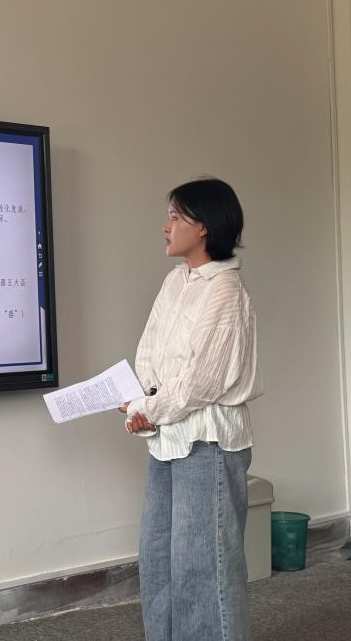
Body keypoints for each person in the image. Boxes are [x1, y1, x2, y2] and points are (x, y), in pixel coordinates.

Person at [119, 177, 263, 641]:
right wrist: (140, 405)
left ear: (203, 226)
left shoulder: (225, 289)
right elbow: (148, 353)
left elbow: (203, 381)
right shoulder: (174, 282)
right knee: (159, 559)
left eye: (175, 217)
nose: (166, 226)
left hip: (208, 442)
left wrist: (150, 406)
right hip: (167, 439)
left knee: (204, 568)